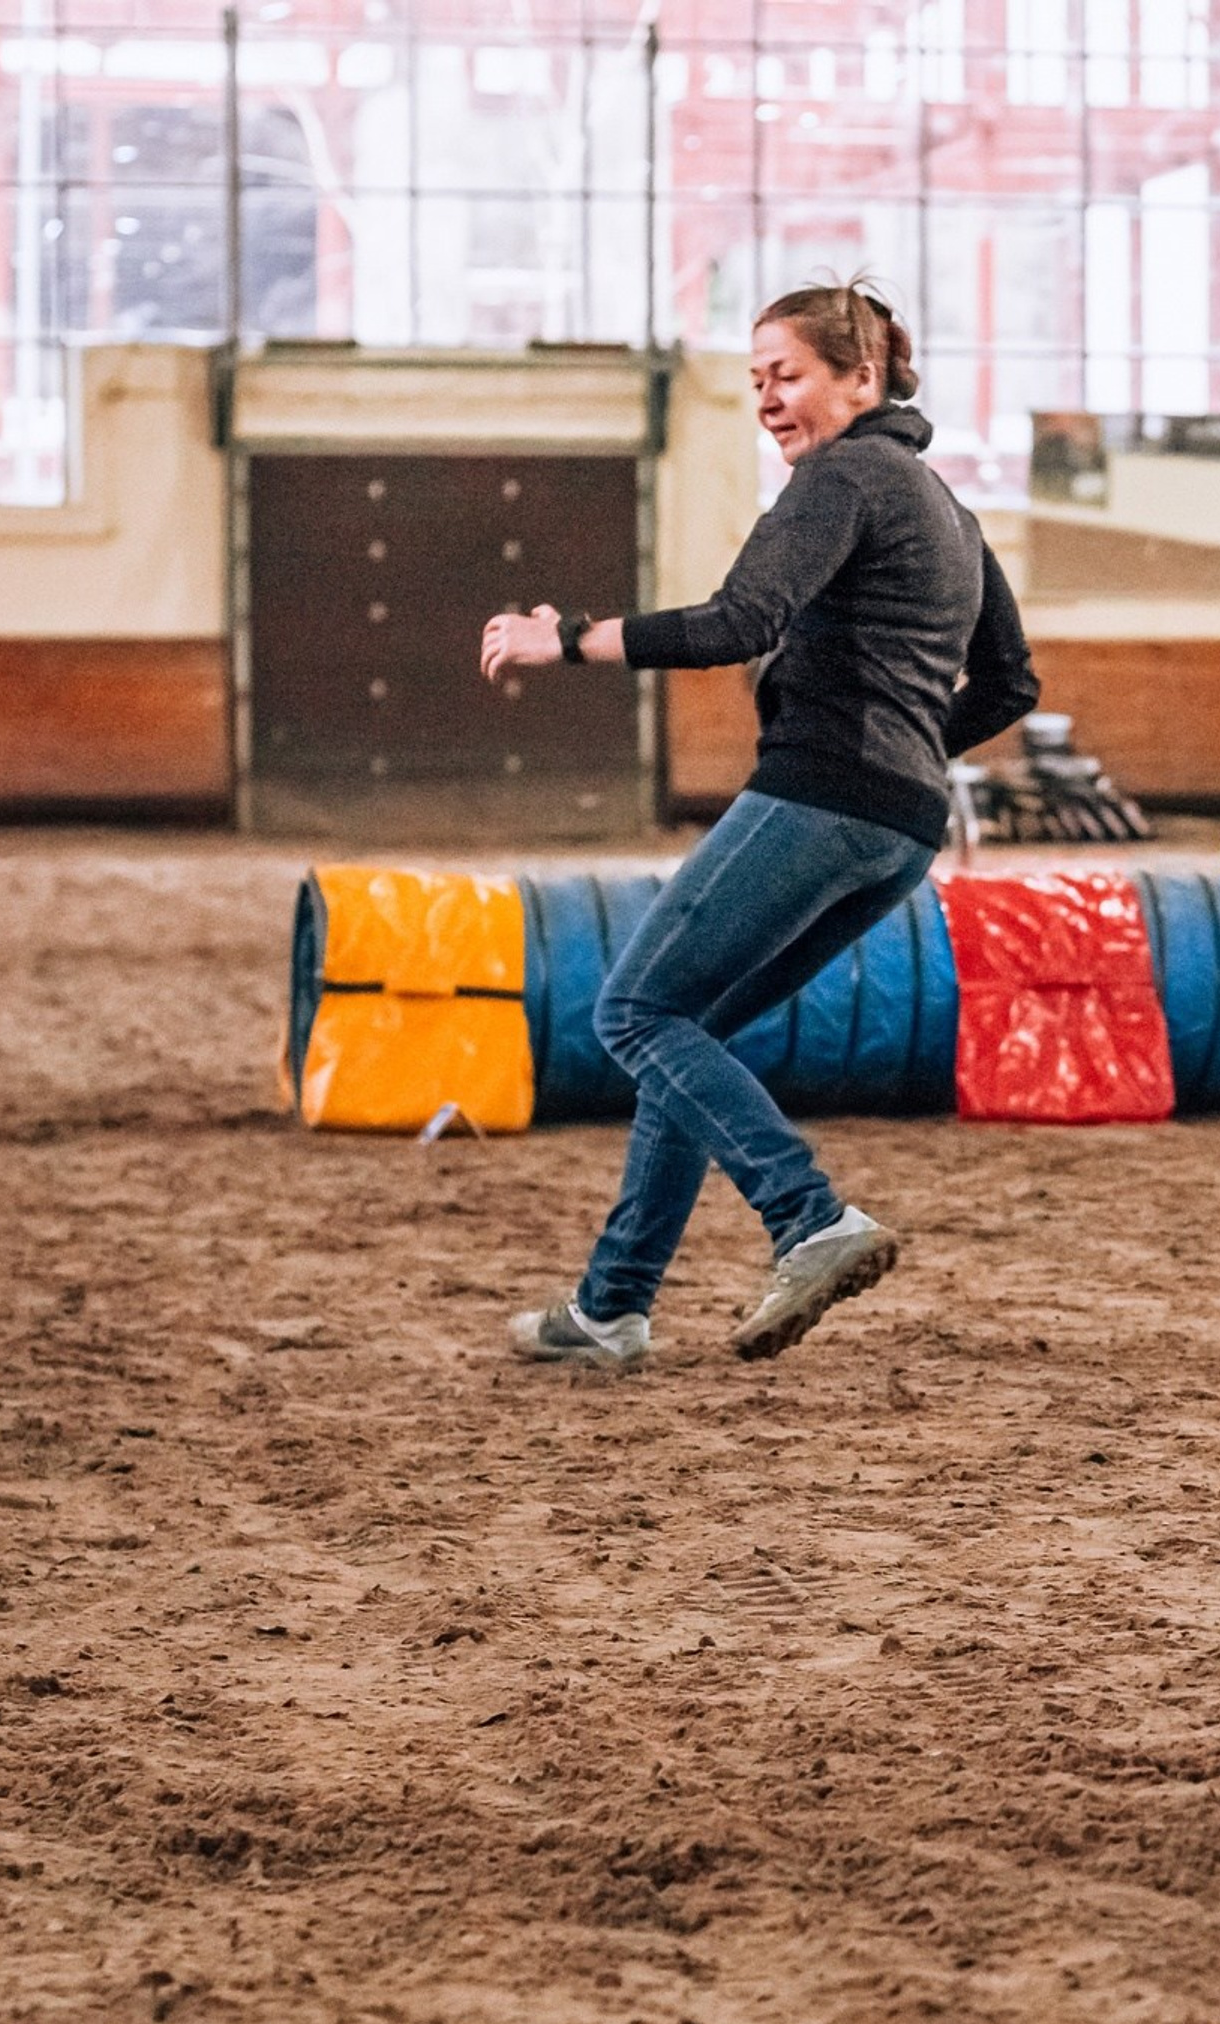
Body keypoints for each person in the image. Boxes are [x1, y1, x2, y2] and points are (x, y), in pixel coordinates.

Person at [483, 281, 1039, 1367]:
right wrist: (917, 751)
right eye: (755, 382)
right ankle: (612, 1307)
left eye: (786, 375)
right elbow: (1010, 683)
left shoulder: (840, 479)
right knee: (689, 1028)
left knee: (636, 1010)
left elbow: (739, 622)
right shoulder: (945, 505)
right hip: (897, 825)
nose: (768, 401)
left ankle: (809, 1217)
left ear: (860, 377)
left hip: (823, 796)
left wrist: (574, 640)